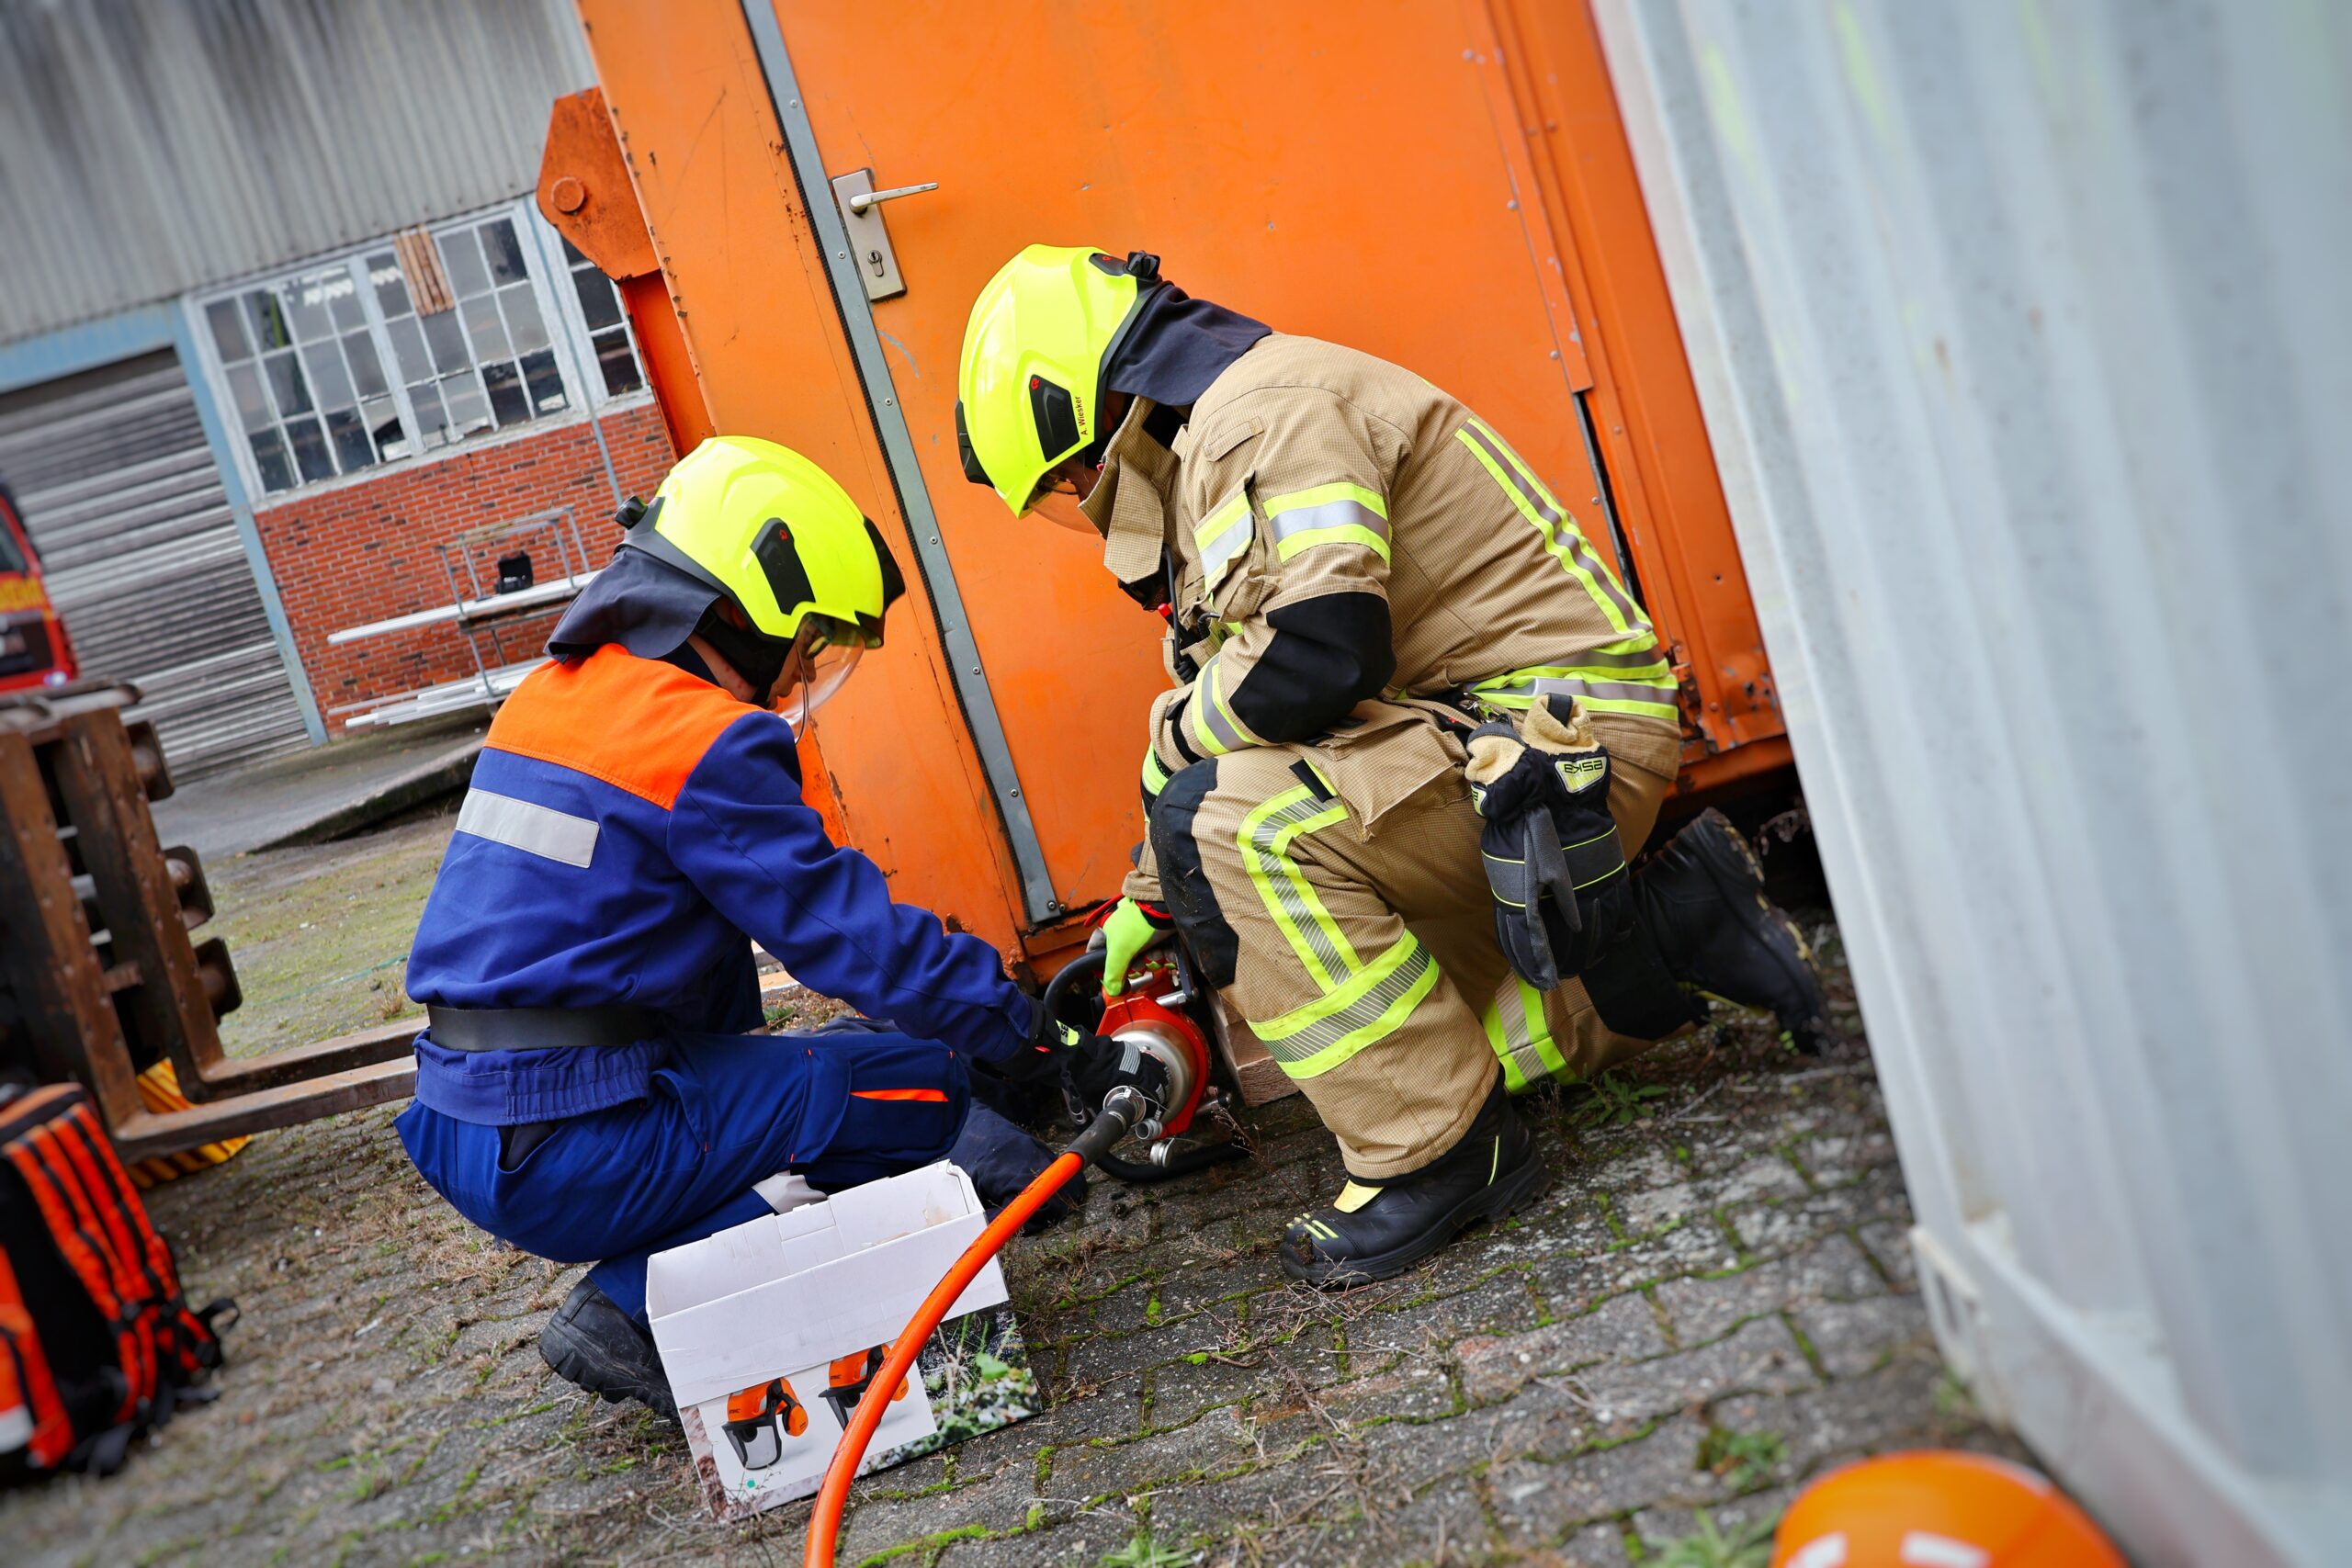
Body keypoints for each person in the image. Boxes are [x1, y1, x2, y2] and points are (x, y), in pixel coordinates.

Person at [955, 247, 1829, 1288]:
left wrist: (1168, 763)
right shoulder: (1222, 450)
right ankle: (1666, 941)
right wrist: (1143, 903)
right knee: (1403, 1024)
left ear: (1096, 418)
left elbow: (1320, 652)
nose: (1080, 511)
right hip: (1498, 749)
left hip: (1549, 753)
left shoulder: (1258, 416)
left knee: (1246, 830)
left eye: (1062, 486)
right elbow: (1246, 701)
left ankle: (1441, 1156)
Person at [394, 435, 1163, 1416]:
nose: (800, 679)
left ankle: (632, 1297)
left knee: (835, 1068)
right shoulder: (703, 739)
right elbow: (850, 940)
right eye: (807, 647)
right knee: (912, 1088)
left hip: (471, 1121)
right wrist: (1034, 1036)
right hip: (571, 1136)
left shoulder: (560, 697)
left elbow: (668, 961)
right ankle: (628, 1308)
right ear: (746, 609)